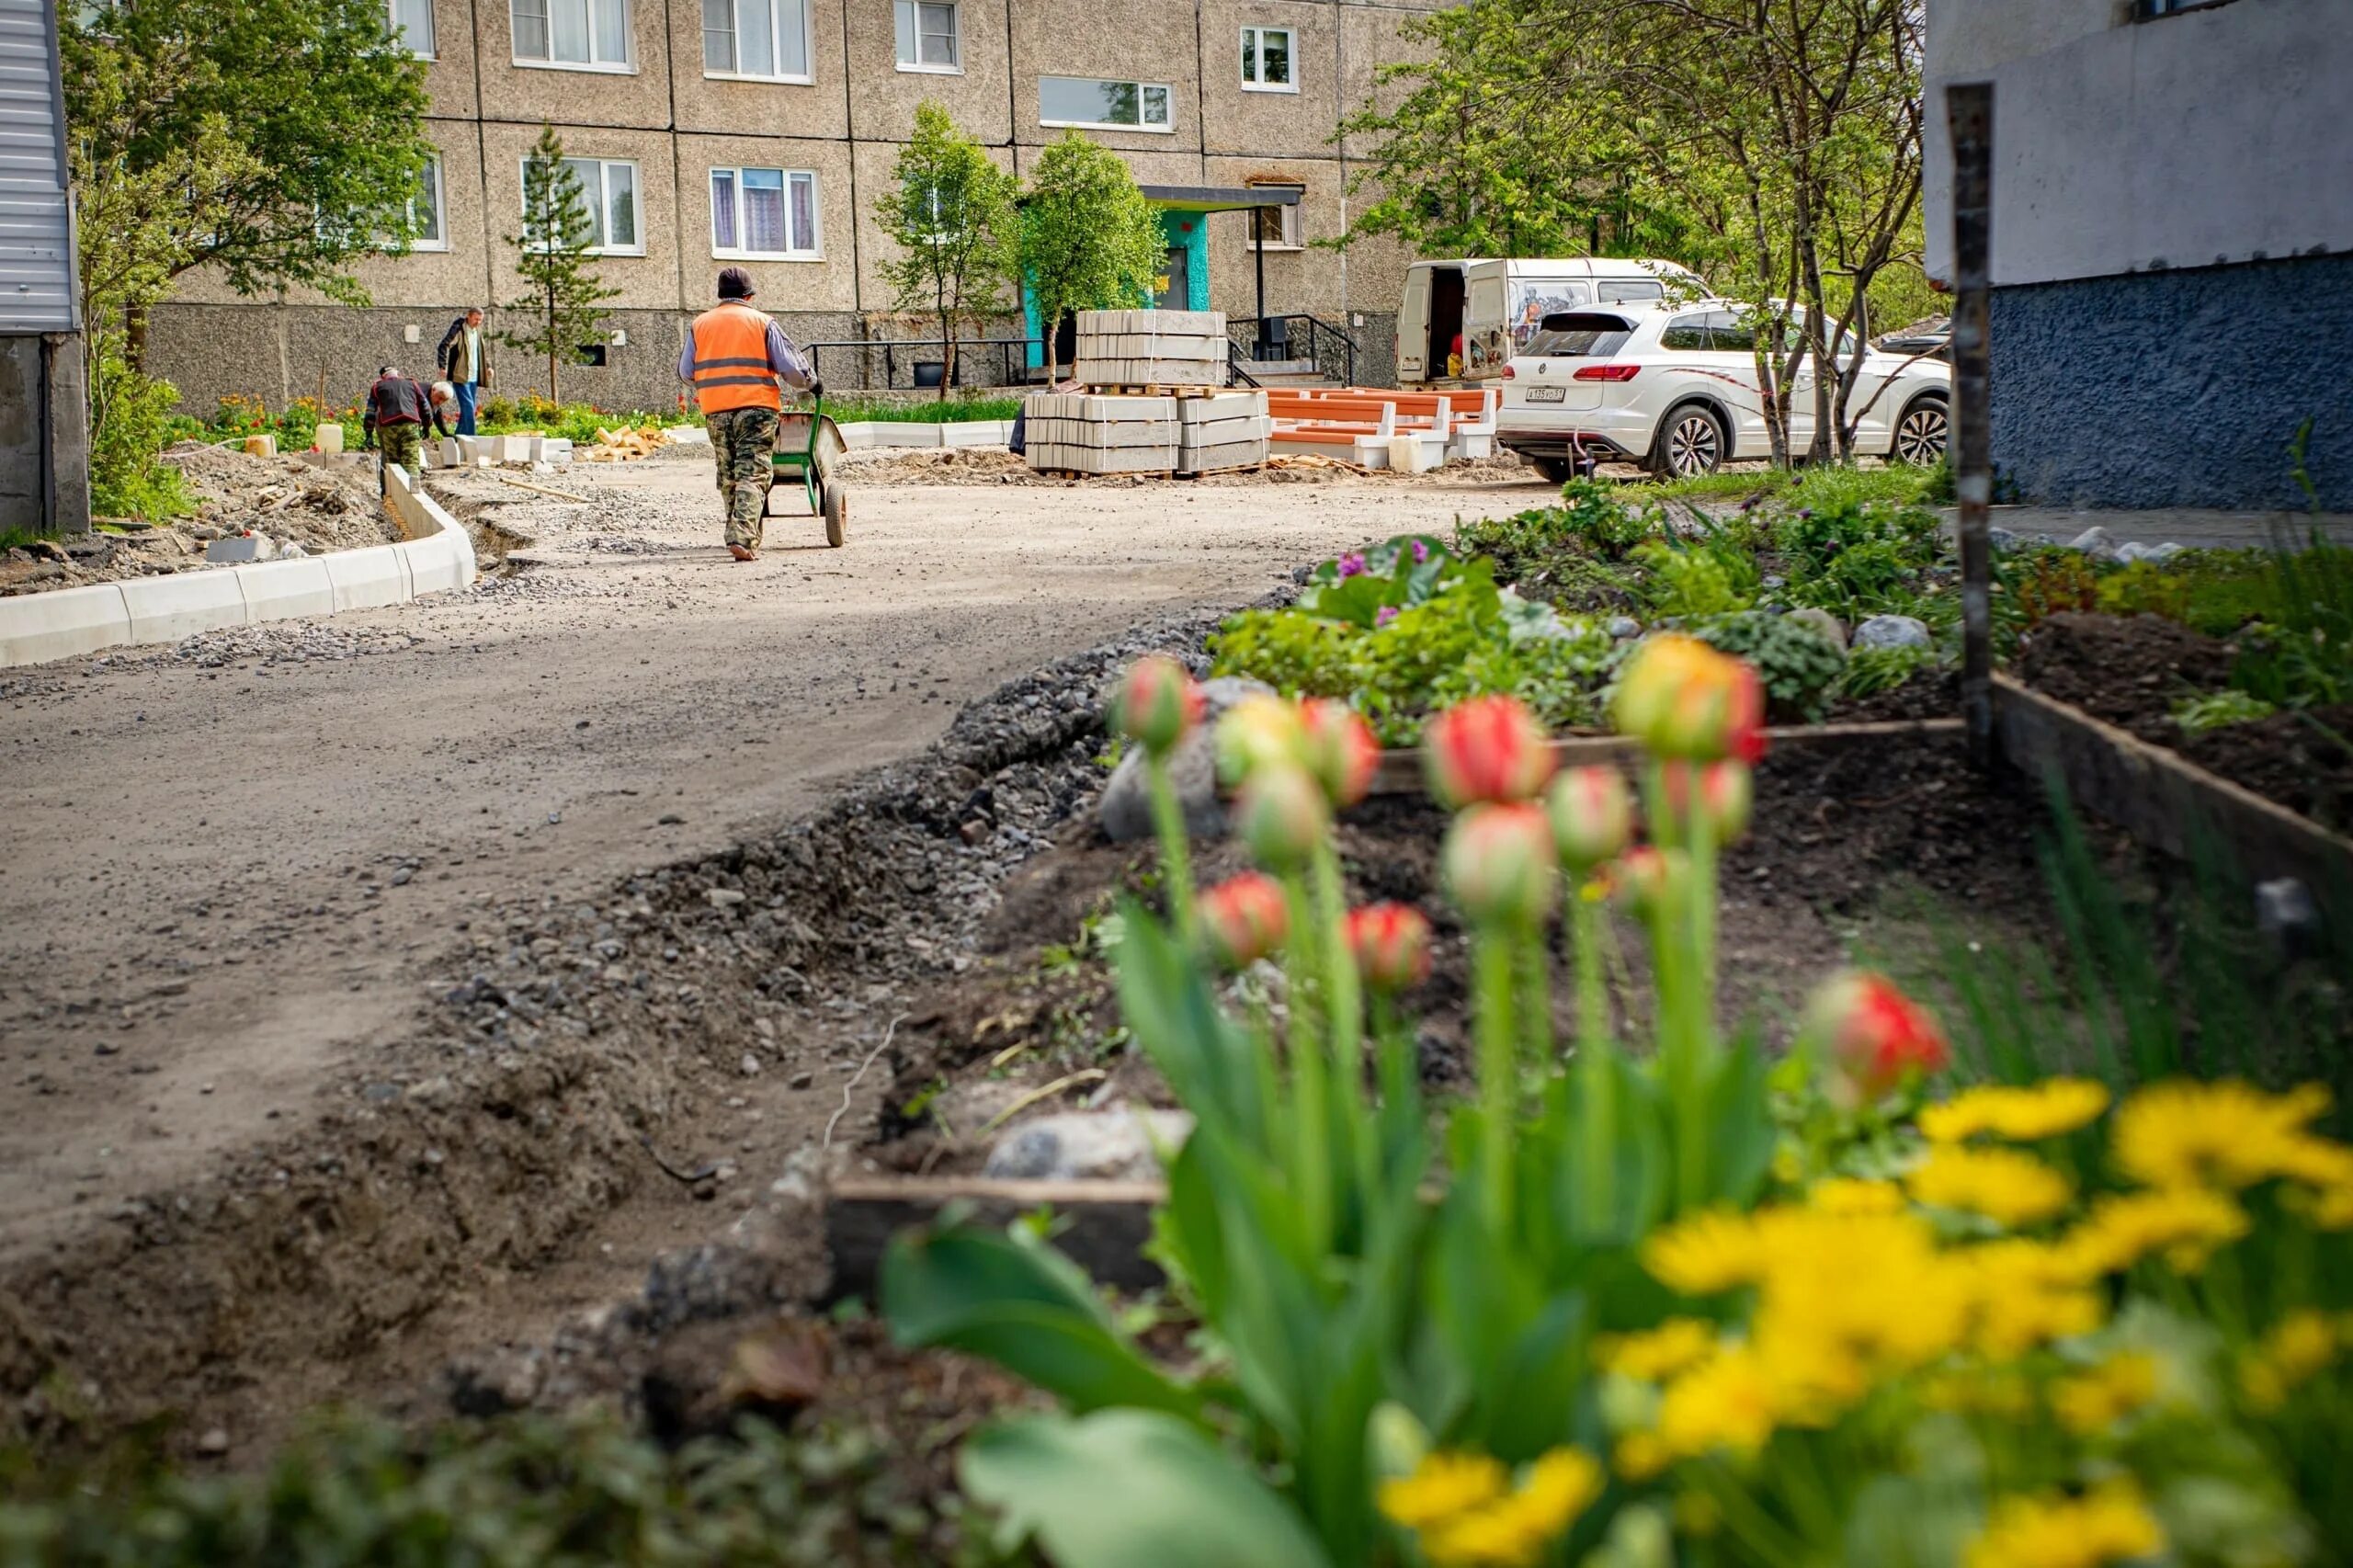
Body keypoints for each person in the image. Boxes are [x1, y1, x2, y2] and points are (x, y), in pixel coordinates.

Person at [678, 266, 818, 562]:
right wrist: (812, 383)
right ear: (750, 295)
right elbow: (791, 369)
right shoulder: (762, 322)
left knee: (728, 474)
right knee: (753, 473)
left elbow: (686, 373)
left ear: (720, 295)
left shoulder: (700, 324)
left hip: (716, 410)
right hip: (756, 409)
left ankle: (739, 532)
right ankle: (742, 536)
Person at [362, 364, 434, 483]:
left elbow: (370, 412)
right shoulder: (412, 384)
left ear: (382, 377)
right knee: (411, 461)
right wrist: (427, 426)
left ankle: (395, 493)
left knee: (394, 464)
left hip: (389, 428)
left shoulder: (377, 387)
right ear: (398, 374)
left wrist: (368, 434)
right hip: (410, 425)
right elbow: (425, 407)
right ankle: (413, 489)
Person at [436, 306, 492, 435]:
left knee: (468, 408)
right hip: (460, 374)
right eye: (476, 319)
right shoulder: (459, 329)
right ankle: (472, 437)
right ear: (469, 316)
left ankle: (458, 436)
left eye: (480, 320)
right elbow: (443, 345)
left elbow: (481, 351)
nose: (478, 322)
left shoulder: (478, 331)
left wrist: (488, 367)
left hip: (474, 375)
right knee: (468, 407)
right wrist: (442, 366)